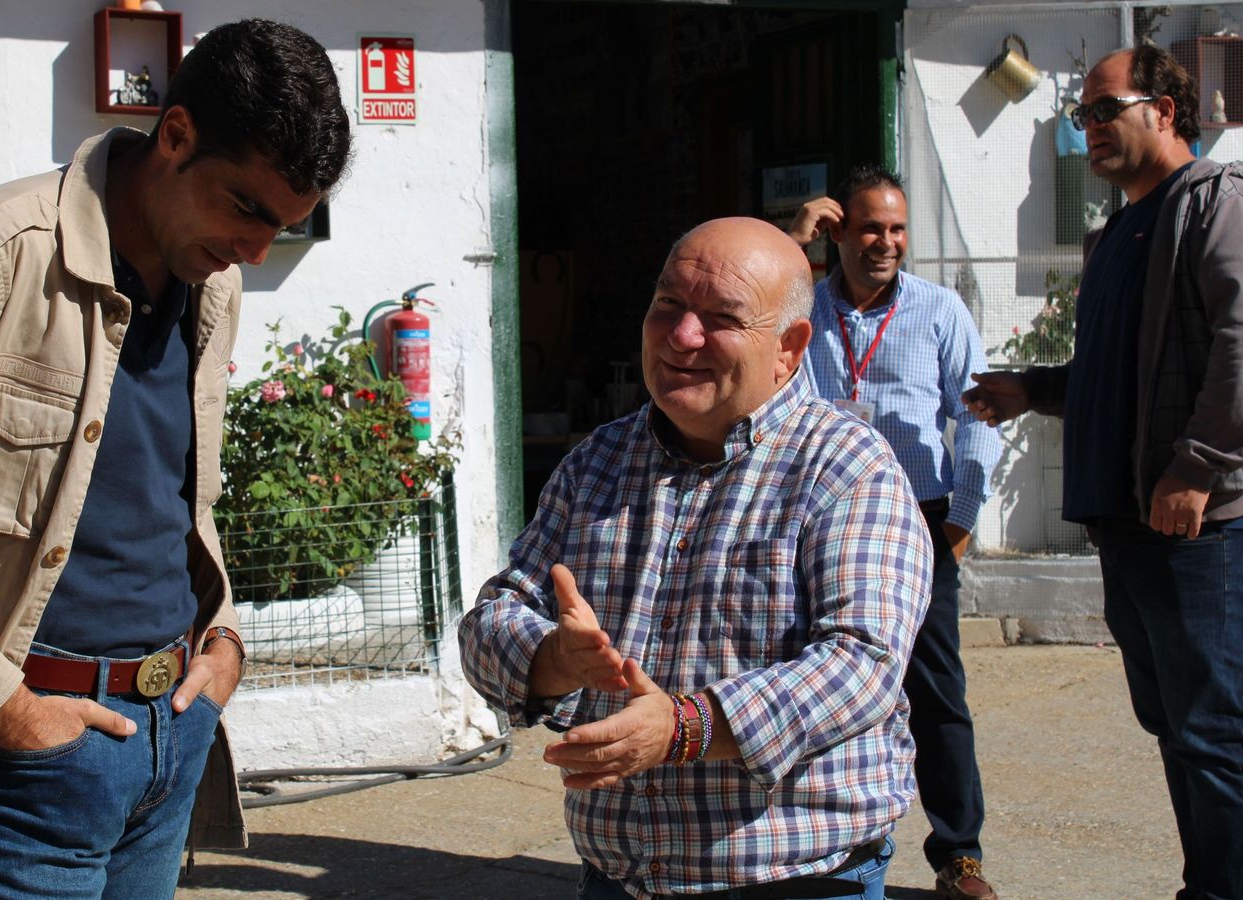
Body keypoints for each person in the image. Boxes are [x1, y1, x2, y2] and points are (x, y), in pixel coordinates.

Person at [0, 19, 349, 900]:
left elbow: (170, 497)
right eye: (246, 208)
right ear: (175, 135)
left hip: (172, 741)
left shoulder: (215, 283)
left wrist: (228, 635)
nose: (255, 251)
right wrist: (5, 709)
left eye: (284, 227)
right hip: (18, 763)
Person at [459, 217, 932, 899]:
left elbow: (862, 664)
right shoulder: (597, 464)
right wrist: (551, 660)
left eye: (721, 318)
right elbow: (492, 619)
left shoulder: (848, 470)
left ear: (789, 348)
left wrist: (688, 727)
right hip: (618, 877)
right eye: (668, 306)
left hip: (796, 880)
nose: (683, 336)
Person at [962, 45, 1243, 900]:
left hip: (1196, 525)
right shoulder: (1119, 231)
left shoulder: (1214, 204)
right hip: (1126, 520)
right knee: (1174, 723)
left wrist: (1197, 467)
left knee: (1215, 729)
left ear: (1164, 108)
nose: (1088, 132)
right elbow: (1122, 370)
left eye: (1102, 110)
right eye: (1079, 118)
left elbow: (1239, 347)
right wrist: (1034, 390)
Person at [788, 166, 1002, 900]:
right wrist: (791, 242)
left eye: (898, 228)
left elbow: (975, 413)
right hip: (820, 521)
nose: (887, 242)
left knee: (936, 689)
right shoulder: (802, 310)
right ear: (838, 230)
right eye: (871, 226)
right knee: (817, 680)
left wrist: (964, 517)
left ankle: (960, 857)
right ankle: (824, 842)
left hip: (920, 522)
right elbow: (745, 332)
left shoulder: (939, 311)